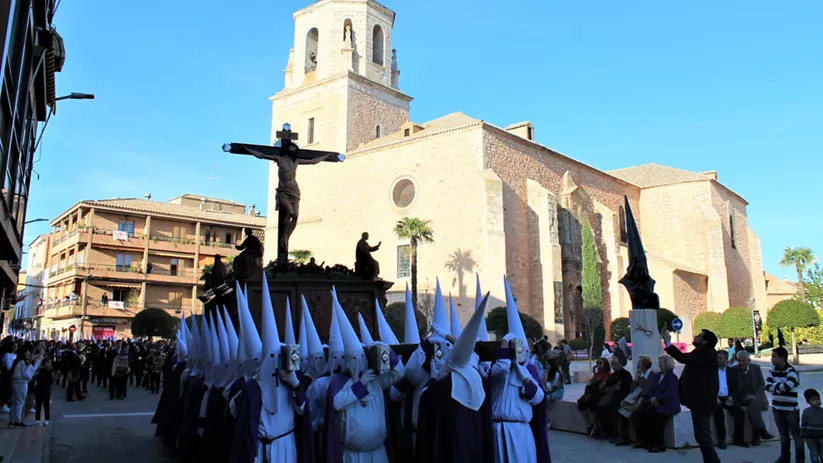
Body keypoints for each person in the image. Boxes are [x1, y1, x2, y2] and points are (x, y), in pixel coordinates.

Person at [662, 328, 720, 463]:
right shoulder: (704, 352)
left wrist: (669, 344)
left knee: (703, 435)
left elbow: (683, 358)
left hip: (702, 401)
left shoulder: (704, 352)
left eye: (699, 336)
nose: (696, 337)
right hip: (700, 401)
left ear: (704, 342)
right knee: (702, 435)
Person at [635, 354, 680, 453]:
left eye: (661, 363)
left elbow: (670, 393)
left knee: (657, 418)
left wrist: (657, 399)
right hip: (656, 402)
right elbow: (652, 389)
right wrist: (653, 398)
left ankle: (659, 444)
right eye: (659, 363)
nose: (659, 365)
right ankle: (647, 441)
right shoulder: (658, 375)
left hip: (668, 404)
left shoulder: (672, 377)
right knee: (644, 415)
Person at [767, 346, 803, 462]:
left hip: (790, 409)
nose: (771, 359)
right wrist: (779, 387)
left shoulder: (791, 371)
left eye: (774, 357)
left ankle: (800, 459)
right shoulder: (772, 370)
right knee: (783, 434)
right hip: (777, 407)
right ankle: (785, 457)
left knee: (796, 434)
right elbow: (767, 386)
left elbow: (788, 386)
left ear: (782, 358)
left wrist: (775, 387)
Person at [735, 350, 774, 444]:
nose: (741, 363)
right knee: (753, 403)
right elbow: (734, 389)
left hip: (756, 396)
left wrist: (756, 396)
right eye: (739, 360)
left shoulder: (756, 368)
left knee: (754, 404)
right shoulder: (734, 370)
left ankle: (758, 435)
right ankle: (761, 431)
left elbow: (762, 385)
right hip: (742, 396)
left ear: (749, 360)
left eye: (743, 360)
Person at [615, 355, 654, 447]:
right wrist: (636, 379)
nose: (637, 364)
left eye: (639, 363)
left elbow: (646, 390)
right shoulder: (640, 375)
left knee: (636, 415)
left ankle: (641, 440)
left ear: (645, 365)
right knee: (621, 412)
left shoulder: (651, 375)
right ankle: (624, 438)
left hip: (645, 400)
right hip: (636, 400)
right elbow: (632, 390)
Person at [713, 350, 747, 448]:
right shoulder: (712, 371)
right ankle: (721, 439)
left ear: (726, 359)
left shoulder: (732, 371)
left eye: (720, 358)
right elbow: (708, 387)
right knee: (719, 413)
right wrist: (715, 397)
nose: (717, 360)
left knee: (740, 412)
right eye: (717, 358)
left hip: (728, 397)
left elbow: (736, 388)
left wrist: (731, 397)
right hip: (716, 398)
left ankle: (739, 439)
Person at [595, 356, 633, 443]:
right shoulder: (613, 375)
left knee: (614, 411)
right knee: (600, 409)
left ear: (621, 364)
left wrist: (615, 388)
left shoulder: (626, 375)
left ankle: (620, 436)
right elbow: (604, 386)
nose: (613, 366)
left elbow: (625, 389)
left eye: (615, 364)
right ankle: (608, 434)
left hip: (622, 399)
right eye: (612, 364)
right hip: (611, 399)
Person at [8, 346, 42, 426]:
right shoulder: (24, 362)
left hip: (15, 383)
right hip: (21, 383)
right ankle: (18, 420)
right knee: (20, 402)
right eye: (28, 352)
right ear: (24, 353)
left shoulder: (17, 361)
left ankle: (12, 420)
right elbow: (26, 374)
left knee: (14, 402)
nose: (29, 354)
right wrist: (31, 376)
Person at [577, 357, 611, 438]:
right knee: (581, 404)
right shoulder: (596, 374)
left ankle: (595, 426)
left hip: (599, 395)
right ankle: (589, 425)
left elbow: (602, 386)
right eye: (597, 363)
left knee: (592, 405)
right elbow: (590, 383)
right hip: (592, 394)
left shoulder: (608, 374)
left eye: (600, 363)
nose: (598, 365)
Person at [803, 388, 823, 463]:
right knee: (814, 455)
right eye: (814, 399)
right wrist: (803, 436)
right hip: (810, 438)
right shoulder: (806, 412)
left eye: (818, 398)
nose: (817, 401)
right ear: (808, 401)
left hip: (822, 436)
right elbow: (803, 425)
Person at [544, 357, 564, 428]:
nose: (546, 366)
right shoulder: (550, 373)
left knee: (545, 399)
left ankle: (547, 421)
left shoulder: (557, 374)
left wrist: (546, 389)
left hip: (558, 391)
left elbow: (552, 385)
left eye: (548, 364)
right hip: (552, 390)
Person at [34, 357, 53, 425]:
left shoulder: (50, 371)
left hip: (47, 390)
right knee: (38, 405)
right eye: (47, 362)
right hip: (39, 389)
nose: (49, 364)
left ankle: (47, 419)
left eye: (50, 362)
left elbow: (51, 381)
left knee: (46, 405)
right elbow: (34, 377)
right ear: (44, 364)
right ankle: (37, 419)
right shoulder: (40, 370)